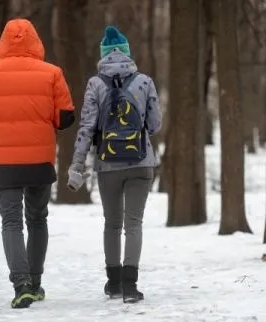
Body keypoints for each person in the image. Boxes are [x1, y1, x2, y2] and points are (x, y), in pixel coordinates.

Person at [0, 19, 75, 309]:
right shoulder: (52, 72)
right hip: (39, 159)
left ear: (3, 41)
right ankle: (36, 282)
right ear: (36, 41)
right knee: (37, 219)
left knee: (11, 221)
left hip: (3, 160)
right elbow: (65, 118)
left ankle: (21, 284)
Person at [67, 25, 162, 303]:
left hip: (108, 165)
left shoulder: (95, 84)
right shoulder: (145, 81)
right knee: (134, 223)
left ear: (103, 55)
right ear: (128, 54)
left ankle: (114, 283)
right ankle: (131, 286)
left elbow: (86, 127)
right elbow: (155, 125)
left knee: (112, 223)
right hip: (141, 162)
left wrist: (76, 166)